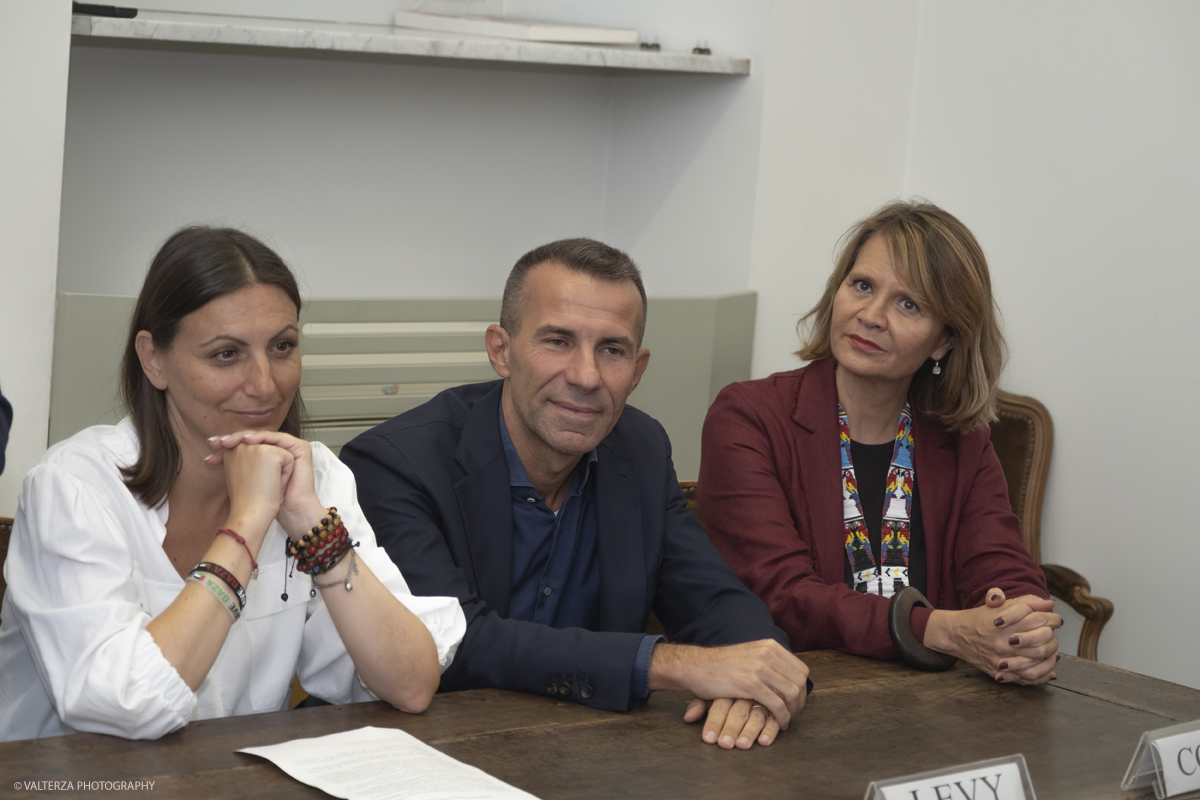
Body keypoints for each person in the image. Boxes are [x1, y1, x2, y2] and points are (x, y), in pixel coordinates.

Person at [341, 238, 811, 751]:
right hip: (421, 754)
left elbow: (715, 600)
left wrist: (758, 680)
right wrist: (672, 664)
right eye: (558, 341)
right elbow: (458, 643)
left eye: (612, 349)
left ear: (637, 370)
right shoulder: (396, 464)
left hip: (590, 755)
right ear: (500, 350)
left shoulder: (640, 447)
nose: (587, 377)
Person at [0, 227, 465, 742]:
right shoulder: (74, 487)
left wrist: (310, 524)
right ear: (154, 359)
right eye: (226, 354)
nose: (266, 384)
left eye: (282, 346)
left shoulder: (317, 477)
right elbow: (125, 706)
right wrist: (245, 524)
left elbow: (410, 683)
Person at [699, 201, 1062, 685]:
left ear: (943, 342)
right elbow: (781, 595)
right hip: (792, 698)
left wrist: (1021, 627)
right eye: (862, 285)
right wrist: (940, 630)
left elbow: (998, 564)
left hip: (933, 712)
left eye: (908, 304)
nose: (871, 315)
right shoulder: (748, 417)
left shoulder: (963, 441)